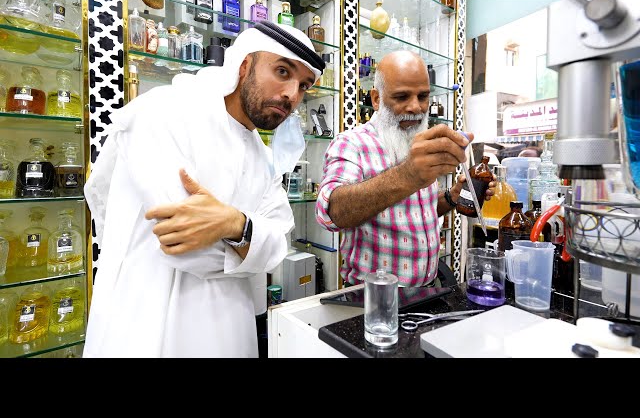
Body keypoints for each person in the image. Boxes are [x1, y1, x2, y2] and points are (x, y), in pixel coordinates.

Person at [82, 21, 325, 357]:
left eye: (303, 86)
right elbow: (182, 243)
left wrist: (234, 224)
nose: (292, 94)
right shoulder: (165, 113)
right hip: (148, 324)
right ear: (243, 65)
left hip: (233, 328)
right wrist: (251, 240)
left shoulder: (263, 156)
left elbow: (278, 247)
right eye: (282, 72)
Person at [315, 50, 495, 287]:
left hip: (427, 291)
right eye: (401, 97)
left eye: (423, 96)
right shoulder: (352, 143)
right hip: (374, 299)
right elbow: (330, 213)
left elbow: (419, 211)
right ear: (376, 98)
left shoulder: (419, 140)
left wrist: (451, 197)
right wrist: (408, 175)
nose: (415, 107)